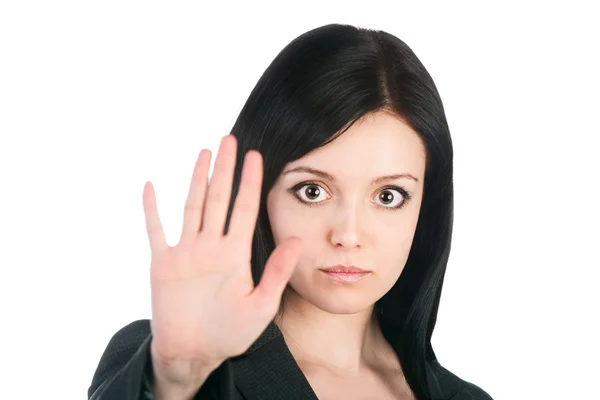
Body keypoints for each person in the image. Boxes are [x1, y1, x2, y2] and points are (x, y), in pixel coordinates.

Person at [88, 23, 493, 400]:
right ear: (263, 192)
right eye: (313, 190)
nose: (348, 235)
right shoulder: (171, 366)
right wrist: (177, 378)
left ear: (426, 208)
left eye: (388, 196)